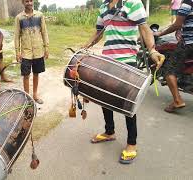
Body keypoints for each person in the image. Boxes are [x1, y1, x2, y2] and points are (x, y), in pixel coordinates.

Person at [83, 0, 164, 164]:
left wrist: (152, 50)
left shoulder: (132, 3)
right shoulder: (104, 7)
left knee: (128, 103)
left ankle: (131, 144)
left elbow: (144, 28)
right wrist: (85, 46)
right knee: (104, 97)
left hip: (127, 61)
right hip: (107, 61)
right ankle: (109, 132)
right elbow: (99, 32)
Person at [154, 0, 193, 113]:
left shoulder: (187, 4)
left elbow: (177, 24)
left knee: (169, 71)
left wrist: (160, 33)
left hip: (189, 43)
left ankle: (177, 101)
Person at [14, 0, 49, 104]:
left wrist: (46, 48)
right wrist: (17, 51)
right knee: (26, 75)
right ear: (23, 3)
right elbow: (16, 36)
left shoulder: (40, 15)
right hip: (26, 53)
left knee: (36, 73)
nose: (29, 3)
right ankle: (27, 97)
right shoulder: (19, 18)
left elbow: (44, 32)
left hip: (38, 51)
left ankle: (35, 95)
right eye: (26, 1)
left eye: (30, 0)